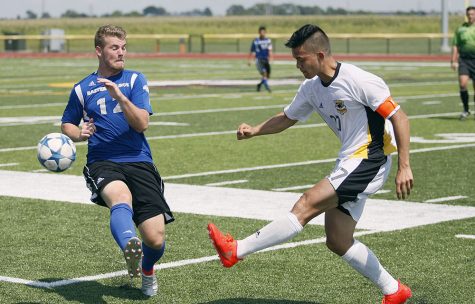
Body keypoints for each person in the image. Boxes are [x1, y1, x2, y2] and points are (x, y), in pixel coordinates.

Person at [208, 24, 413, 304]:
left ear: (319, 54)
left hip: (370, 160)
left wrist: (404, 166)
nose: (297, 65)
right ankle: (394, 290)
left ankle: (236, 250)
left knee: (305, 205)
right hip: (351, 160)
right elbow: (287, 117)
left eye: (300, 59)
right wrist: (255, 130)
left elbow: (399, 117)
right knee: (338, 240)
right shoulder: (311, 88)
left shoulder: (359, 80)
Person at [61, 25, 174, 297]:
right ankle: (128, 244)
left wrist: (120, 97)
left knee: (156, 239)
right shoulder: (82, 88)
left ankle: (146, 267)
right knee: (120, 198)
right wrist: (79, 133)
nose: (121, 52)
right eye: (114, 47)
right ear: (99, 51)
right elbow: (67, 123)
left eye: (123, 47)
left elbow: (142, 123)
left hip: (139, 160)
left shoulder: (135, 80)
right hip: (103, 161)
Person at [451, 6, 475, 120]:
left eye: (473, 14)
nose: (470, 16)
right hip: (464, 60)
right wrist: (453, 60)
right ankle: (466, 109)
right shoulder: (460, 29)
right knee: (463, 84)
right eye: (469, 14)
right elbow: (456, 45)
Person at [248, 25, 273, 92]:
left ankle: (259, 85)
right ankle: (267, 87)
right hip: (258, 59)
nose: (262, 33)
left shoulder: (268, 40)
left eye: (263, 32)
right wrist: (250, 60)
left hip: (266, 59)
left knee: (267, 76)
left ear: (265, 32)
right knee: (264, 73)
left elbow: (270, 50)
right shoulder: (256, 41)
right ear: (259, 32)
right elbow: (252, 51)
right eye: (261, 32)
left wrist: (271, 57)